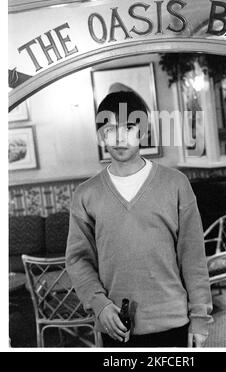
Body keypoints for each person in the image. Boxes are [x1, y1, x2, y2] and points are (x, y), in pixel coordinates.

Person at [66, 91, 213, 348]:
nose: (120, 137)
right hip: (116, 327)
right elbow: (78, 261)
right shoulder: (85, 195)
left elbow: (193, 256)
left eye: (129, 127)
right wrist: (100, 306)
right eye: (110, 129)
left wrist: (200, 318)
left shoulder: (176, 184)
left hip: (173, 321)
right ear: (101, 136)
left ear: (143, 132)